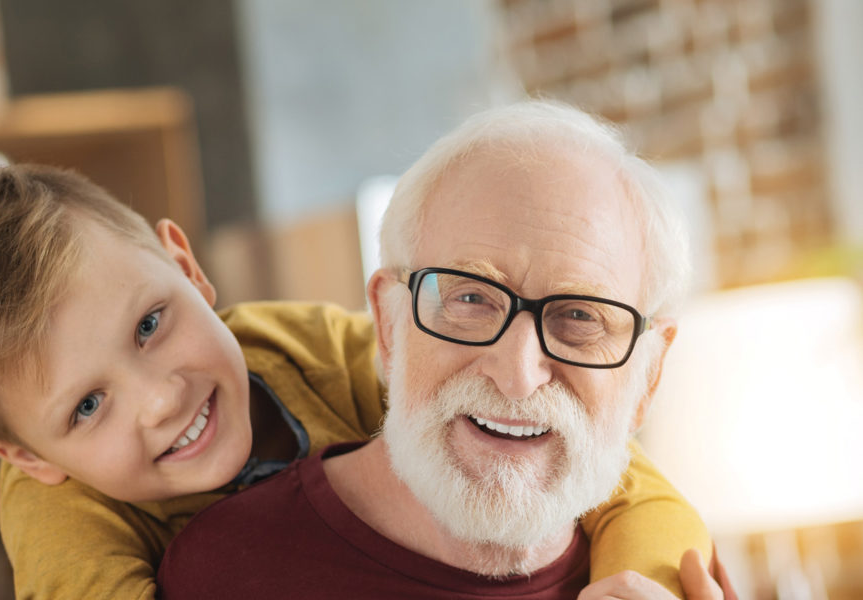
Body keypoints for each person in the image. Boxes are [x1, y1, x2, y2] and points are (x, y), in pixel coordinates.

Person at [0, 162, 711, 600]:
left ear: (187, 266)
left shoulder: (314, 348)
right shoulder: (57, 513)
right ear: (26, 454)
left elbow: (621, 481)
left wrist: (635, 586)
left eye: (150, 324)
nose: (159, 397)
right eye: (86, 406)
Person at [157, 100, 735, 599]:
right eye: (470, 298)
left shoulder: (679, 580)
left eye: (580, 316)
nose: (517, 373)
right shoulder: (227, 573)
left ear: (649, 375)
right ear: (388, 322)